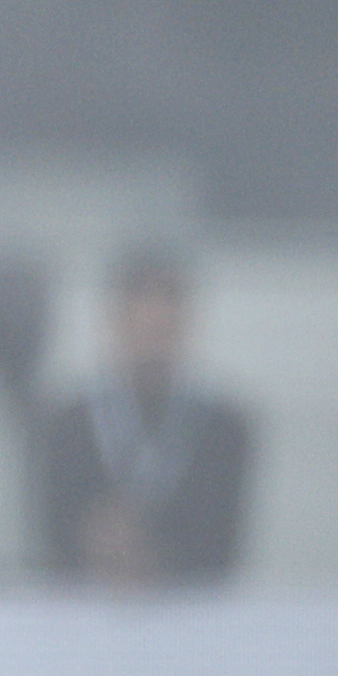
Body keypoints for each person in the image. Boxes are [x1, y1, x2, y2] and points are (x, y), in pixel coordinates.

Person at [34, 250, 255, 587]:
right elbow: (54, 546)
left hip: (190, 609)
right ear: (115, 322)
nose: (153, 337)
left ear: (185, 325)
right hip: (87, 609)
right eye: (142, 323)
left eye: (164, 326)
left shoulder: (224, 430)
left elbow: (221, 551)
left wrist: (153, 555)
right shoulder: (67, 427)